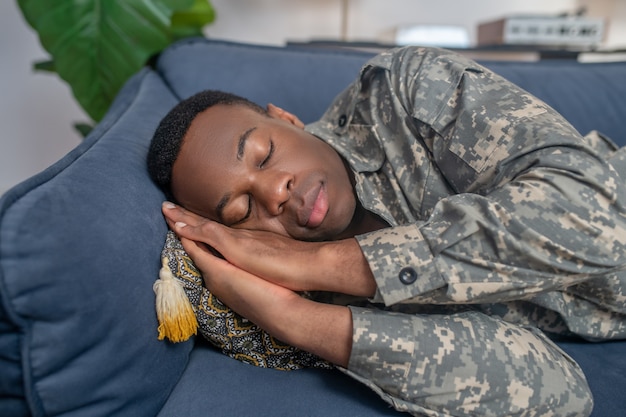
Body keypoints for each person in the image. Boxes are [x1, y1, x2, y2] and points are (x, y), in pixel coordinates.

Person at [148, 46, 626, 416]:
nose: (275, 191)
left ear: (286, 118)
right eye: (240, 209)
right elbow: (556, 393)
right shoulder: (310, 296)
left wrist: (330, 263)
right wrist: (298, 320)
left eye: (265, 154)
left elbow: (597, 217)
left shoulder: (405, 89)